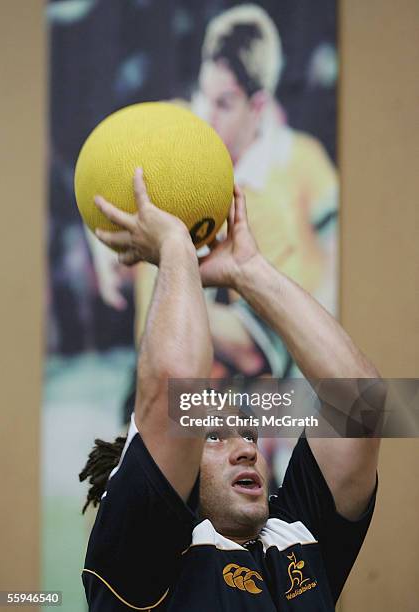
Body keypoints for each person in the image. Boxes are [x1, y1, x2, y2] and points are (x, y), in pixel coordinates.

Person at [80, 169, 380, 611]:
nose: (246, 449)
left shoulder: (295, 533)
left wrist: (250, 272)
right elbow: (171, 387)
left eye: (249, 435)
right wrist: (175, 247)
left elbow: (364, 405)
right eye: (214, 436)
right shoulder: (142, 545)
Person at [87, 4, 338, 379]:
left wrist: (167, 259)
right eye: (202, 94)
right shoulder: (172, 129)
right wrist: (103, 243)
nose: (205, 114)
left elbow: (255, 349)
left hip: (216, 414)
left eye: (223, 103)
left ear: (257, 107)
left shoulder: (272, 209)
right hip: (146, 389)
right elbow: (99, 170)